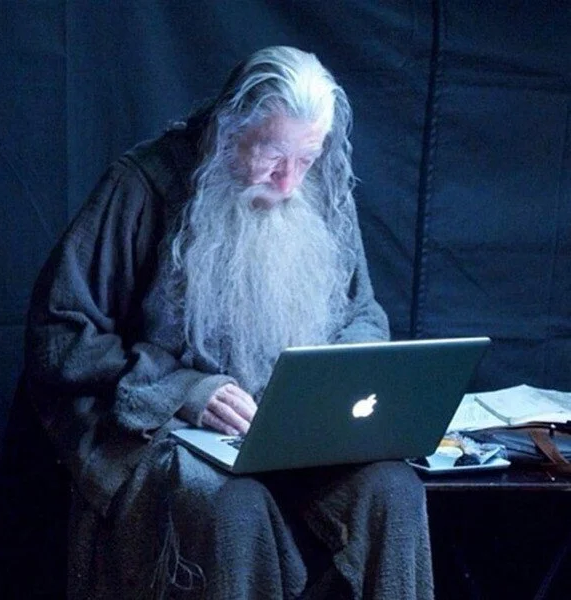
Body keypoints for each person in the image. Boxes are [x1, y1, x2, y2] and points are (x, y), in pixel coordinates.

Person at [23, 46, 434, 599]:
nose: (288, 183)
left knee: (393, 492)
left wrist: (336, 379)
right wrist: (184, 390)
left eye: (307, 159)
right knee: (234, 508)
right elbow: (60, 334)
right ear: (226, 128)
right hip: (165, 427)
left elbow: (361, 312)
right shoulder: (143, 185)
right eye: (272, 156)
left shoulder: (321, 191)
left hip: (294, 431)